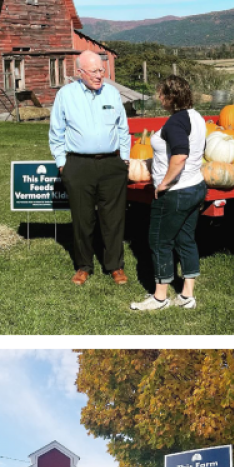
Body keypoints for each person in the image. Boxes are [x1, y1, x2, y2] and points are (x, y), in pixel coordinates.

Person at [50, 50, 132, 286]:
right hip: (78, 165)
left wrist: (124, 160)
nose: (100, 75)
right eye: (94, 71)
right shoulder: (66, 95)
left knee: (113, 218)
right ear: (79, 72)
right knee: (82, 219)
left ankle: (115, 265)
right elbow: (57, 132)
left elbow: (122, 129)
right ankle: (83, 265)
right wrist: (62, 164)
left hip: (111, 164)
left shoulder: (112, 93)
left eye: (102, 70)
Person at [133, 74, 207, 311]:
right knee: (186, 239)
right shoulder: (195, 117)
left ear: (170, 97)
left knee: (159, 241)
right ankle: (187, 295)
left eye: (160, 93)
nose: (158, 97)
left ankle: (160, 298)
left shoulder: (175, 122)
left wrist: (164, 183)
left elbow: (181, 154)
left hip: (176, 192)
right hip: (195, 187)